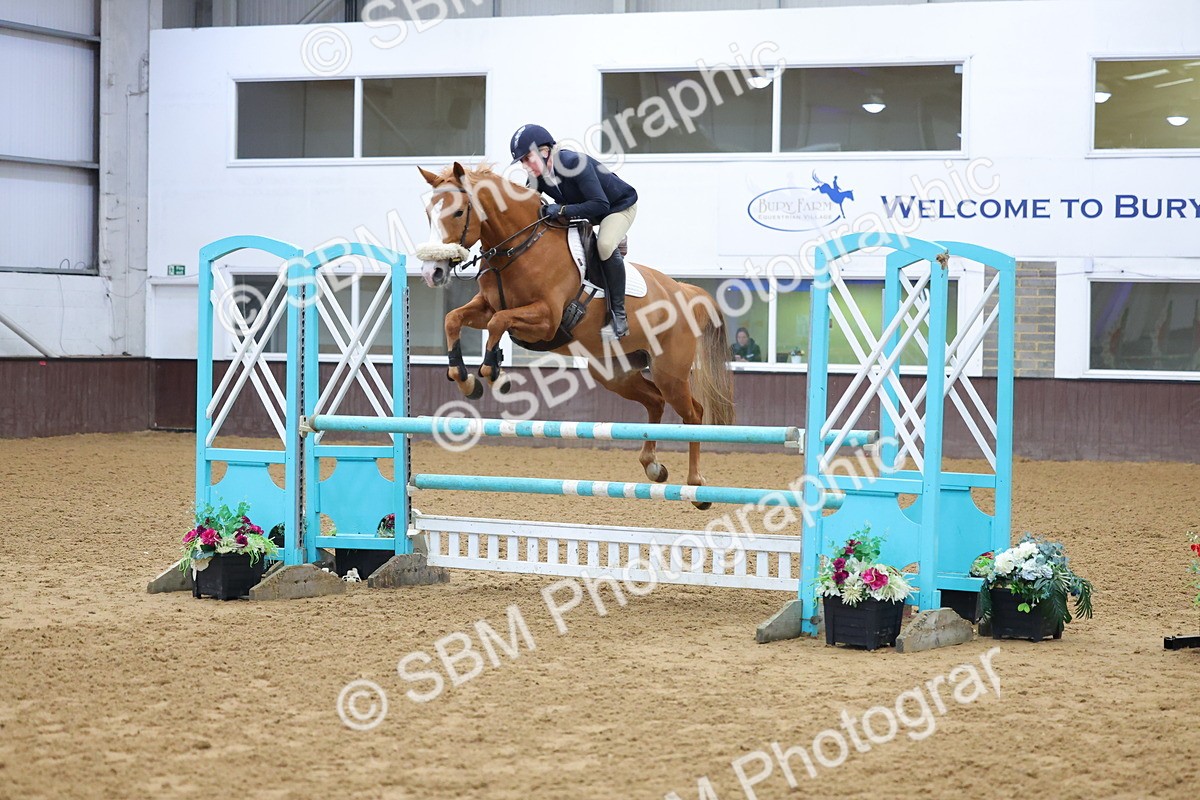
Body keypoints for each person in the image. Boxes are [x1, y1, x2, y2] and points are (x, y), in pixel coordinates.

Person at [510, 124, 638, 339]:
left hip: (617, 207)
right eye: (521, 161)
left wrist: (561, 209)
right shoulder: (537, 173)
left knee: (604, 245)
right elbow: (526, 204)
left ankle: (619, 314)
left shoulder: (574, 163)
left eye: (527, 158)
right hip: (588, 210)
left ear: (544, 151)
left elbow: (601, 204)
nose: (525, 166)